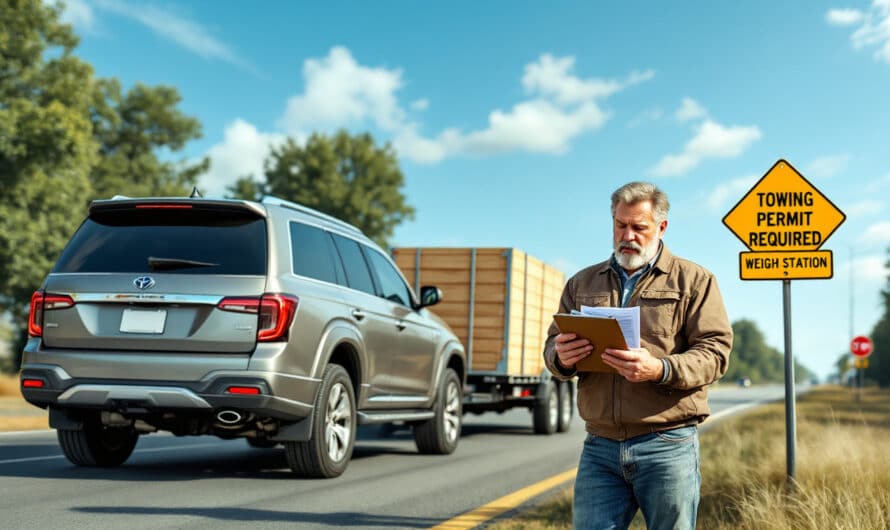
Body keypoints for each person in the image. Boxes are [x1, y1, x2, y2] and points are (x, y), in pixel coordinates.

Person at [544, 181, 733, 530]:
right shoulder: (582, 283)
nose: (627, 235)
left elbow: (715, 353)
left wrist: (659, 368)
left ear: (661, 227)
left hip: (667, 444)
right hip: (599, 446)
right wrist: (561, 356)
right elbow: (553, 346)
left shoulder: (695, 282)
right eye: (620, 225)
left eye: (638, 227)